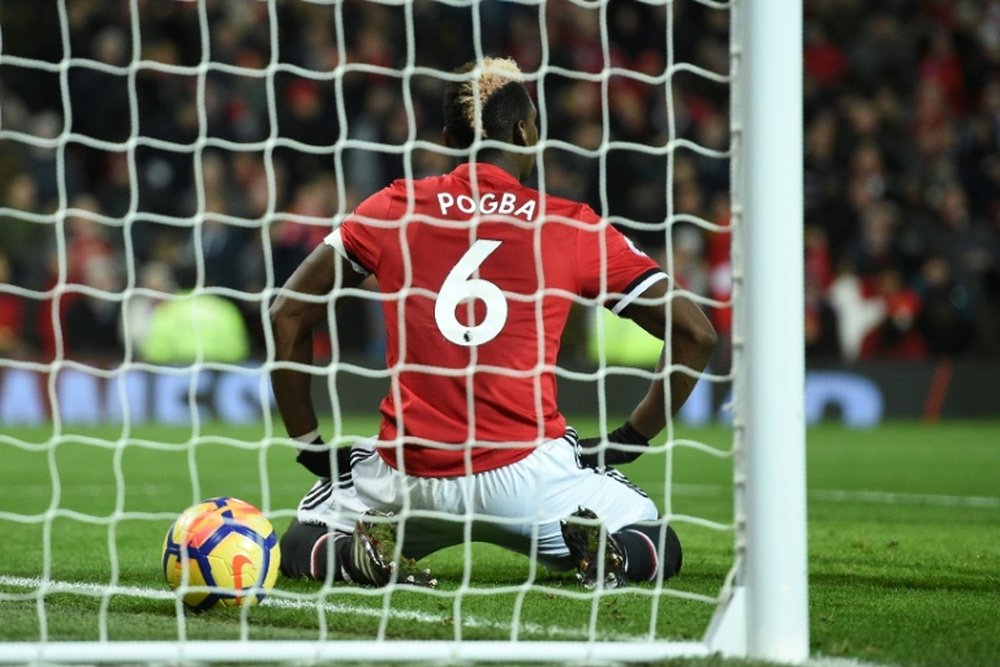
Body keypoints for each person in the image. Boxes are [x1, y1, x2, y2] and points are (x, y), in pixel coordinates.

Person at [269, 57, 717, 590]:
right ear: (526, 130)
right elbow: (696, 334)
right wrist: (630, 438)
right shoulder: (569, 224)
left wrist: (309, 444)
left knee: (302, 538)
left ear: (446, 137)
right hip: (531, 479)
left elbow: (287, 314)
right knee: (655, 537)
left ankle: (351, 559)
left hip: (411, 478)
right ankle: (614, 555)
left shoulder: (393, 208)